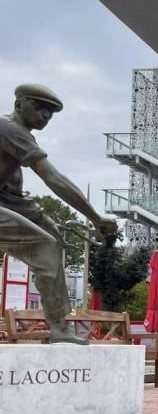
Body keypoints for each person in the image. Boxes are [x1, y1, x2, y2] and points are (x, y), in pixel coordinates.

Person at [0, 84, 117, 344]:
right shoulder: (10, 129)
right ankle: (59, 329)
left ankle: (60, 324)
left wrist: (46, 220)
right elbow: (53, 178)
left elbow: (13, 192)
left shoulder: (14, 135)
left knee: (53, 237)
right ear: (19, 105)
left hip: (7, 202)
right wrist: (95, 217)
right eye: (39, 107)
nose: (45, 115)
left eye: (50, 112)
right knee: (46, 247)